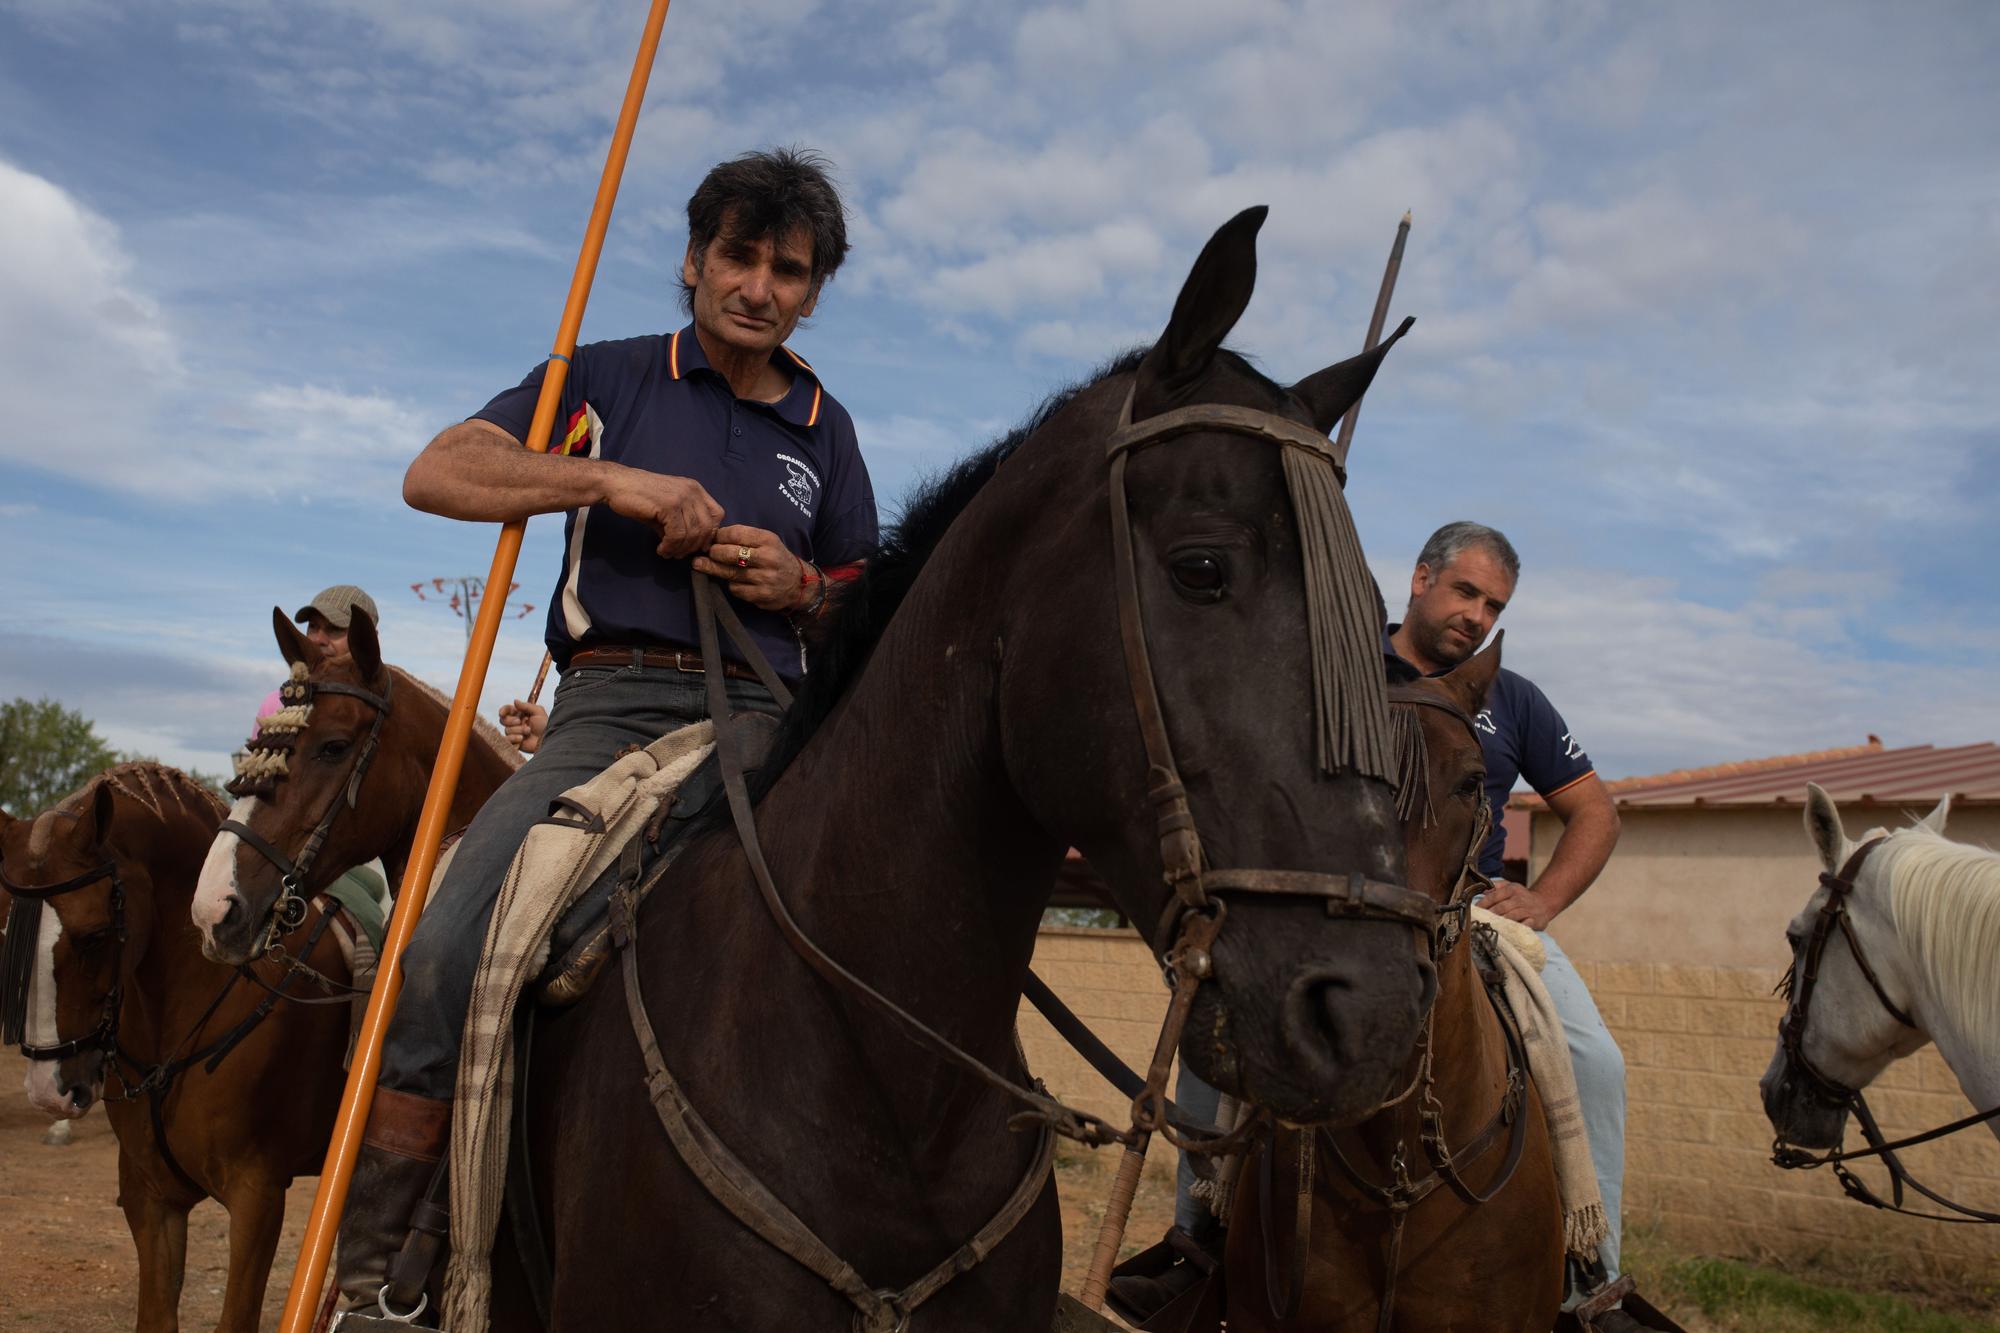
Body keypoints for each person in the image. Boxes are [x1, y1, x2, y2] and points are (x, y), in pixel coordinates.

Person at [330, 147, 877, 1322]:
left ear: (810, 294)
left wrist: (800, 586)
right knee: (440, 948)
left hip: (778, 717)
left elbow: (864, 603)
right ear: (693, 262)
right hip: (615, 707)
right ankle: (385, 1264)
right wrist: (609, 481)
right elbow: (439, 471)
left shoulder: (827, 431)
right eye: (739, 255)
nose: (759, 287)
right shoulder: (609, 378)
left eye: (788, 270)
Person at [1124, 521, 1629, 1324]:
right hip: (1336, 897)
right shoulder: (1340, 666)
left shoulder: (1513, 698)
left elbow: (1594, 812)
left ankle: (1593, 1282)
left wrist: (1543, 898)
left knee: (1597, 1062)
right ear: (1422, 578)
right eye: (1466, 590)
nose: (1477, 613)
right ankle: (1198, 1244)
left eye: (1494, 603)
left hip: (1468, 909)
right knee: (1216, 1039)